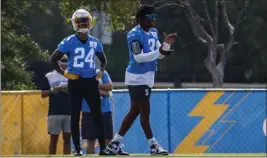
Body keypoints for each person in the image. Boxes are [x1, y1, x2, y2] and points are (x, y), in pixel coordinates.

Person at [106, 5, 177, 155]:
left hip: (148, 76)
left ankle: (115, 143)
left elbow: (160, 54)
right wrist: (160, 50)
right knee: (145, 113)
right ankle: (153, 145)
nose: (152, 21)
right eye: (149, 18)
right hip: (137, 77)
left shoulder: (153, 32)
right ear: (140, 19)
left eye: (154, 18)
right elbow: (138, 58)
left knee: (134, 112)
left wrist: (167, 44)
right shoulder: (134, 34)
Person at [49, 9, 109, 156]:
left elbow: (103, 60)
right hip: (75, 82)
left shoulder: (95, 42)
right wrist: (65, 74)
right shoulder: (69, 41)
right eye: (80, 21)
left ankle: (102, 149)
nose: (83, 24)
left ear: (89, 23)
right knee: (75, 116)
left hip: (90, 81)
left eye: (85, 21)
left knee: (97, 115)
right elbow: (52, 59)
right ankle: (77, 149)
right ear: (75, 24)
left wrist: (101, 71)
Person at [41, 55, 71, 155]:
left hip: (69, 111)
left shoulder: (72, 75)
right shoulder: (49, 76)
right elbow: (43, 94)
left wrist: (68, 90)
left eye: (67, 61)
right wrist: (54, 90)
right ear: (58, 62)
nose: (65, 63)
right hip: (54, 111)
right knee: (54, 140)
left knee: (67, 139)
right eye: (63, 61)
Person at [81, 69, 113, 154]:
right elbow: (83, 89)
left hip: (105, 111)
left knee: (108, 139)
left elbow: (109, 87)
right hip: (89, 111)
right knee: (91, 141)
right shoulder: (81, 73)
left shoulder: (102, 72)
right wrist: (102, 91)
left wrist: (94, 86)